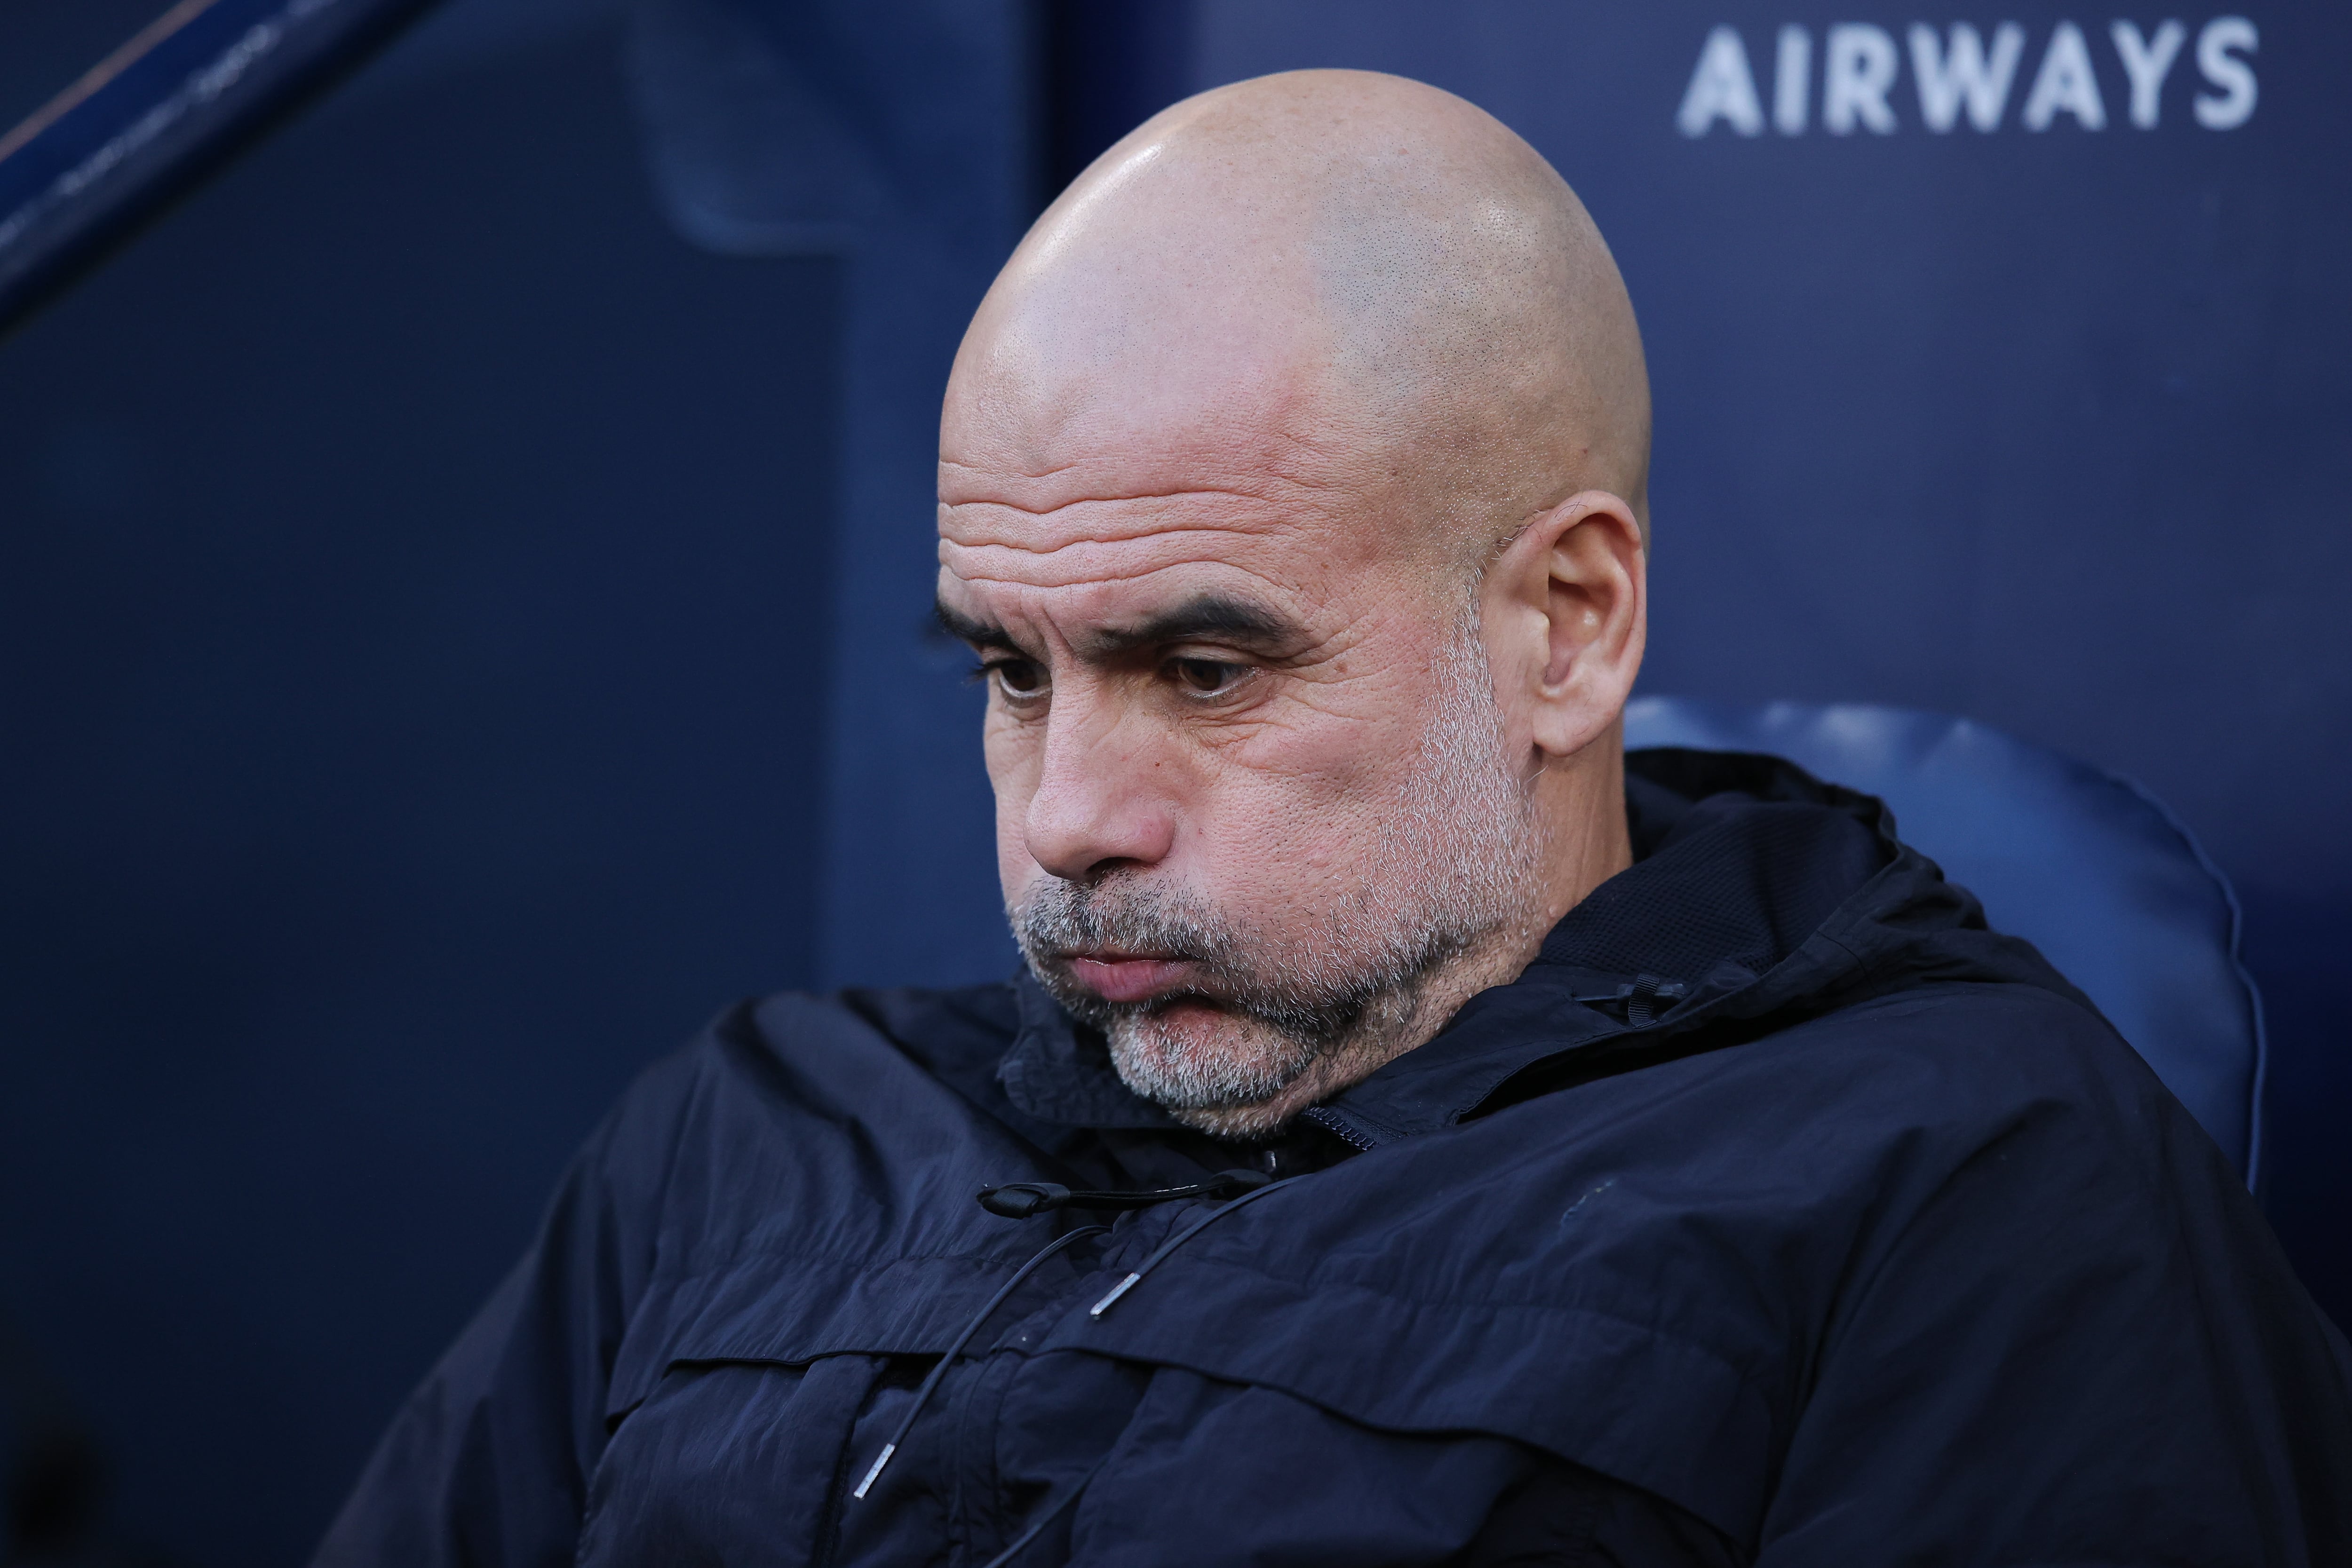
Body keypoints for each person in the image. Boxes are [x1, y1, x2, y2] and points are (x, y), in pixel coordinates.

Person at [314, 69, 2352, 1567]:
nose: (1070, 819)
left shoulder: (1961, 1189)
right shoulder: (752, 1136)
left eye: (1208, 671)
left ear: (1565, 624)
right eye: (1013, 672)